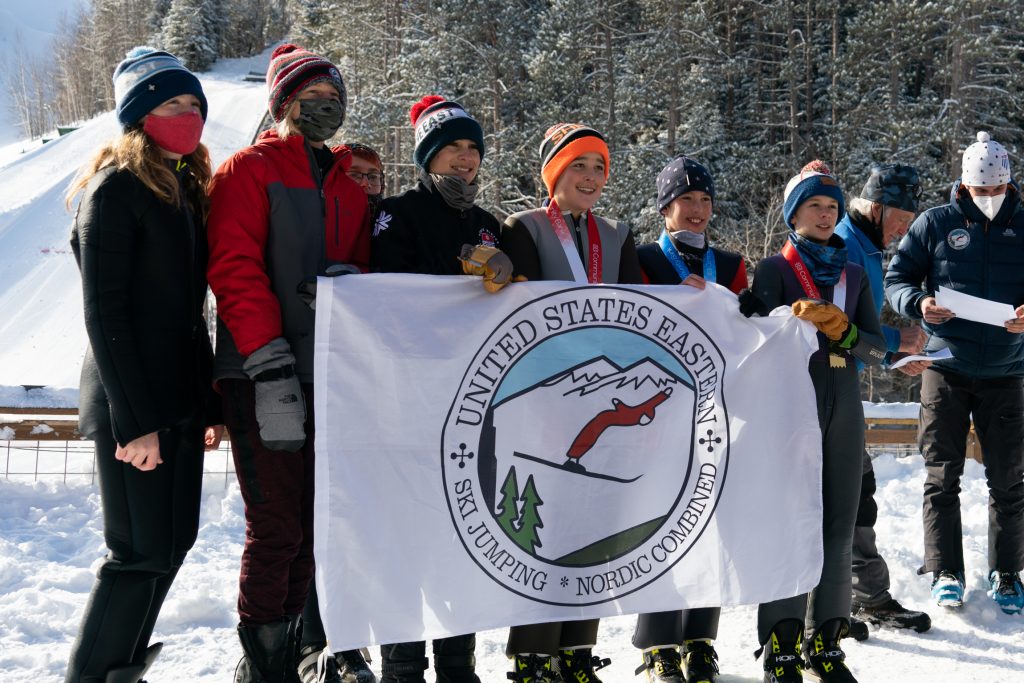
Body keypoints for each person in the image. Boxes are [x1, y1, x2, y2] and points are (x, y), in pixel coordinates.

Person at [206, 44, 370, 683]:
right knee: (276, 525)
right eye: (310, 96)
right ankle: (262, 662)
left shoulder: (348, 187)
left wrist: (348, 285)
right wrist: (267, 358)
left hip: (324, 372)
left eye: (333, 97)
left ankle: (288, 652)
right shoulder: (248, 170)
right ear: (282, 103)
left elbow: (365, 271)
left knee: (310, 526)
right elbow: (234, 267)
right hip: (261, 371)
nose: (325, 106)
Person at [64, 46, 223, 683]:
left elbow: (190, 312)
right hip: (133, 404)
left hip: (178, 398)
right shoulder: (115, 190)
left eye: (193, 103)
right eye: (171, 103)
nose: (188, 115)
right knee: (136, 554)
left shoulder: (182, 188)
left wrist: (208, 404)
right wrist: (135, 424)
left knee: (172, 545)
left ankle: (120, 671)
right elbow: (105, 314)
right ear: (138, 115)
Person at [371, 95, 512, 683]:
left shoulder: (490, 224)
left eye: (473, 148)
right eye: (452, 146)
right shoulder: (396, 213)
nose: (465, 157)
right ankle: (403, 664)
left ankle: (458, 663)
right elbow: (385, 293)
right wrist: (456, 268)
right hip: (406, 398)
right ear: (427, 155)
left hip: (472, 399)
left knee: (463, 528)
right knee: (406, 530)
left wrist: (508, 276)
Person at [499, 123, 640, 683]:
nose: (591, 176)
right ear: (555, 172)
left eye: (599, 167)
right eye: (579, 164)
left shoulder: (618, 234)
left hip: (602, 390)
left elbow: (641, 310)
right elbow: (518, 311)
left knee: (594, 522)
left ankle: (578, 650)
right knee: (546, 528)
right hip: (547, 393)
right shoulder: (525, 228)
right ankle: (532, 654)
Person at [743, 161, 886, 683]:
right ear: (793, 215)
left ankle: (826, 638)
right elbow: (751, 341)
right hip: (790, 406)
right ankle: (781, 643)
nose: (825, 216)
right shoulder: (774, 270)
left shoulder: (852, 273)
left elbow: (876, 350)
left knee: (839, 525)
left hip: (844, 404)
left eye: (832, 207)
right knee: (789, 522)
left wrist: (845, 333)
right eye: (813, 207)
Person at [884, 131, 1024, 615]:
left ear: (1010, 184)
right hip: (945, 366)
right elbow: (897, 278)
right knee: (941, 475)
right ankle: (945, 570)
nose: (990, 198)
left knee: (1009, 478)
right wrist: (919, 303)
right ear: (964, 186)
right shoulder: (935, 223)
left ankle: (1008, 572)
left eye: (997, 190)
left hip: (1007, 370)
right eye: (981, 191)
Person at [631, 156, 746, 683]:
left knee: (709, 524)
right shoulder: (644, 260)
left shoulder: (731, 263)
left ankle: (700, 640)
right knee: (661, 524)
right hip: (659, 409)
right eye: (685, 200)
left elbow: (748, 329)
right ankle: (658, 644)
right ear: (665, 207)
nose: (697, 210)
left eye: (704, 200)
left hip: (718, 409)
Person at [833, 164, 933, 640]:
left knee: (856, 493)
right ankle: (836, 602)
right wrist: (895, 341)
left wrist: (893, 357)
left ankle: (854, 596)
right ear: (877, 207)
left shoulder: (867, 246)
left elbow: (859, 334)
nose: (904, 230)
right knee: (846, 494)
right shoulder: (844, 243)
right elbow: (836, 327)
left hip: (843, 386)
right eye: (901, 218)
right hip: (823, 392)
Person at [297, 144, 384, 683]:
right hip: (317, 382)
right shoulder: (323, 220)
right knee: (320, 517)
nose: (368, 185)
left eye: (376, 176)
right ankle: (317, 642)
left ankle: (352, 640)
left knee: (366, 523)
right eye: (357, 175)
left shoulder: (391, 226)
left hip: (376, 394)